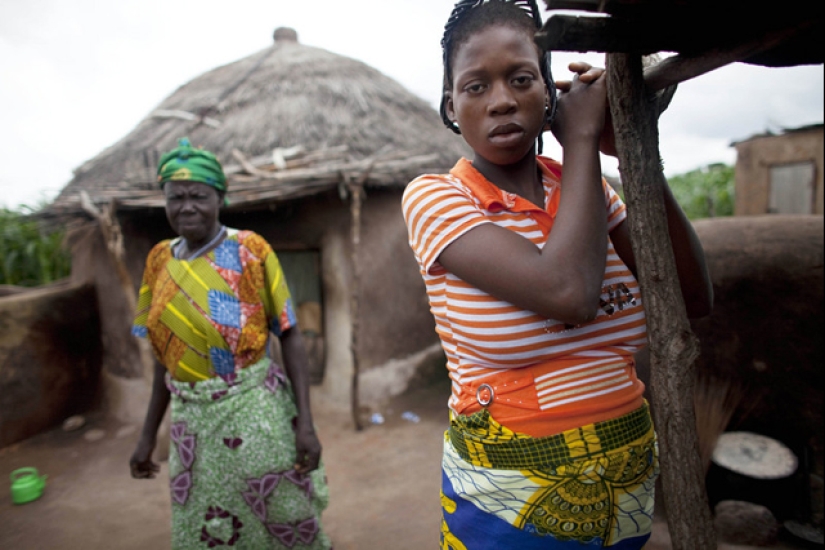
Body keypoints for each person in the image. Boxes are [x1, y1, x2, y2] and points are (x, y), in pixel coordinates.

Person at [401, 1, 713, 548]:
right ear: (451, 105)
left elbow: (690, 296)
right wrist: (585, 140)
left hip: (627, 485)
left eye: (521, 79)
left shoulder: (589, 189)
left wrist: (635, 150)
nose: (501, 101)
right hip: (509, 500)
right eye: (476, 87)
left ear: (549, 92)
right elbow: (568, 294)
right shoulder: (436, 198)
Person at [129, 137, 331, 549]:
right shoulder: (158, 260)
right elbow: (161, 355)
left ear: (219, 197)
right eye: (176, 197)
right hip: (190, 427)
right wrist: (148, 434)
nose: (187, 206)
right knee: (207, 525)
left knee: (280, 515)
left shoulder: (249, 250)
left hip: (253, 415)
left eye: (199, 196)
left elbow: (288, 332)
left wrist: (306, 424)